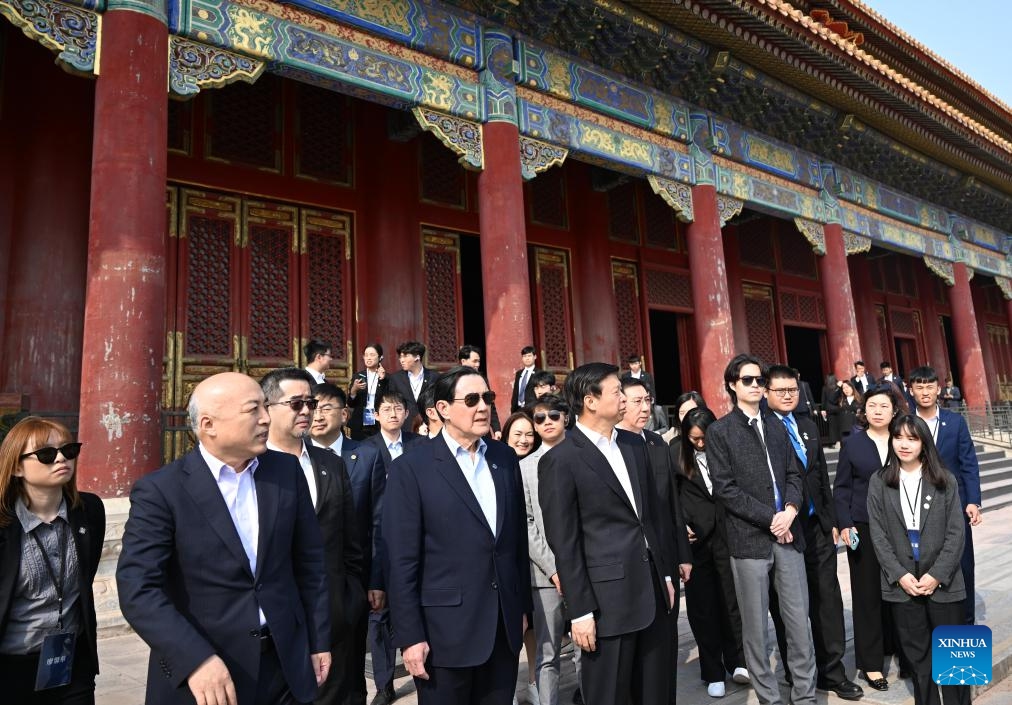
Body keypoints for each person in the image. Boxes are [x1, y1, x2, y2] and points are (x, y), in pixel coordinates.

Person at [117, 371, 331, 705]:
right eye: (253, 409)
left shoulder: (285, 472)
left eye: (266, 406)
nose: (266, 418)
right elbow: (138, 588)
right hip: (207, 673)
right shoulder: (162, 491)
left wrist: (318, 641)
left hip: (284, 664)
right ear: (208, 424)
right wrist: (194, 659)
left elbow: (310, 564)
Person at [383, 366, 532, 705]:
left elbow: (515, 542)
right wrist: (410, 636)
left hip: (503, 628)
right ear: (442, 409)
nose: (483, 407)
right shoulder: (412, 467)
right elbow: (402, 559)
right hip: (443, 634)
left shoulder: (504, 458)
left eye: (487, 398)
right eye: (472, 399)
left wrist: (521, 607)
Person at [539, 363, 677, 705]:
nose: (624, 399)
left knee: (658, 692)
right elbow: (565, 543)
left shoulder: (635, 445)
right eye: (617, 392)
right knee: (610, 695)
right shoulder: (562, 459)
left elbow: (652, 518)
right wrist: (580, 611)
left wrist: (668, 574)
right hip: (605, 605)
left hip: (654, 591)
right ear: (590, 400)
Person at [705, 354, 816, 705]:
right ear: (733, 386)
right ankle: (769, 698)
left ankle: (805, 696)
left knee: (799, 623)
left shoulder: (779, 426)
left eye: (759, 380)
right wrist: (772, 518)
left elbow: (794, 476)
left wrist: (792, 510)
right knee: (755, 628)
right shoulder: (720, 431)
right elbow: (725, 489)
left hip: (788, 536)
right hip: (750, 540)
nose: (756, 385)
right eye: (748, 380)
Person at [262, 369, 366, 705]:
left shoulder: (329, 463)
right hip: (272, 625)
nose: (307, 410)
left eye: (311, 403)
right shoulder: (251, 466)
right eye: (296, 404)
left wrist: (350, 599)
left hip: (334, 616)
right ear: (267, 407)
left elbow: (350, 539)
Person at [763, 366, 863, 701]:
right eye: (781, 390)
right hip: (784, 530)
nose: (788, 395)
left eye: (792, 389)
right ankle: (796, 672)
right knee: (787, 607)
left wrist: (830, 518)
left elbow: (820, 476)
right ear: (766, 392)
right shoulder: (760, 429)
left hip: (817, 526)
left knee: (827, 600)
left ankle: (833, 673)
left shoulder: (806, 425)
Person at [0, 417, 106, 705]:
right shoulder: (4, 525)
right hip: (9, 667)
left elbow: (85, 578)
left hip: (71, 662)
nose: (61, 458)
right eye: (46, 454)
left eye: (68, 450)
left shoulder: (90, 511)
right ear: (17, 467)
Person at [867, 415, 970, 705]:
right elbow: (878, 535)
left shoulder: (944, 479)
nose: (904, 444)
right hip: (904, 584)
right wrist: (899, 575)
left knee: (956, 662)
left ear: (924, 443)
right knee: (918, 662)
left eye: (912, 438)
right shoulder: (880, 481)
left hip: (944, 582)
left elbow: (955, 533)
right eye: (898, 437)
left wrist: (937, 574)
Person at [311, 383, 388, 705]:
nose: (316, 415)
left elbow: (379, 521)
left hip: (351, 581)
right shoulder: (291, 457)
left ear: (344, 414)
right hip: (306, 584)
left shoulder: (367, 455)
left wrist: (375, 580)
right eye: (311, 407)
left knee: (350, 670)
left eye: (326, 407)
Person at [617, 377, 692, 704]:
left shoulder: (657, 444)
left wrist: (683, 553)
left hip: (665, 556)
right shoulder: (612, 446)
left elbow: (671, 504)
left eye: (648, 400)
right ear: (619, 402)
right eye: (637, 401)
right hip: (631, 561)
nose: (645, 407)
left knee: (665, 643)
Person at [833, 383, 906, 691]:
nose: (877, 411)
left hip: (903, 526)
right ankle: (871, 664)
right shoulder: (853, 443)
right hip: (862, 526)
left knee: (902, 591)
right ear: (865, 411)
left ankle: (905, 652)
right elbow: (842, 489)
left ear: (894, 411)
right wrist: (845, 524)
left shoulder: (905, 439)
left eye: (884, 406)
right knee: (867, 596)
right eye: (872, 406)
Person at [675, 408, 748, 698]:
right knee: (703, 609)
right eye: (694, 440)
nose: (700, 444)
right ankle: (712, 670)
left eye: (705, 438)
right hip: (696, 544)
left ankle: (738, 661)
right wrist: (682, 527)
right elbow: (669, 498)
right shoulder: (676, 458)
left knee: (733, 602)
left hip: (728, 537)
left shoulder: (726, 453)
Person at [520, 395, 582, 705]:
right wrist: (555, 568)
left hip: (586, 570)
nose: (546, 422)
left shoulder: (585, 457)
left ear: (566, 418)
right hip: (544, 577)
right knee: (547, 652)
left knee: (589, 647)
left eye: (553, 416)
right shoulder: (525, 467)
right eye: (539, 418)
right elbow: (527, 523)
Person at [908, 366, 982, 624]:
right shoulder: (906, 423)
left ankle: (966, 623)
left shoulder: (956, 422)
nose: (925, 392)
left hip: (954, 504)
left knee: (962, 565)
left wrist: (973, 500)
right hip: (917, 508)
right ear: (911, 390)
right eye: (919, 387)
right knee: (924, 565)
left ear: (938, 389)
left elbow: (968, 462)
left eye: (929, 387)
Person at [364, 389, 423, 705]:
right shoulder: (366, 450)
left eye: (398, 408)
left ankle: (424, 674)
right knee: (380, 616)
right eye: (385, 408)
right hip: (381, 542)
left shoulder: (420, 446)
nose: (392, 413)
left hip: (417, 538)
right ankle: (385, 684)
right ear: (376, 415)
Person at [502, 410, 540, 705]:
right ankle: (509, 686)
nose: (524, 440)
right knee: (511, 624)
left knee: (533, 626)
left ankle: (534, 681)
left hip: (536, 559)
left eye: (529, 434)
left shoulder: (538, 465)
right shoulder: (497, 464)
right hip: (508, 558)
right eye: (517, 434)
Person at [386, 341, 439, 429]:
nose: (401, 360)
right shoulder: (396, 378)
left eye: (405, 356)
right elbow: (392, 403)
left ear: (417, 357)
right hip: (405, 426)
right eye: (400, 357)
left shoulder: (434, 377)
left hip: (429, 425)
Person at [459, 345, 502, 437]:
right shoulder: (454, 381)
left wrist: (496, 429)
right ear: (463, 361)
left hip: (482, 429)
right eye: (474, 361)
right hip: (462, 430)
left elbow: (490, 404)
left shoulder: (482, 380)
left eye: (478, 361)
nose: (477, 365)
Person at [348, 343, 388, 441]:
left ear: (380, 357)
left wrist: (382, 380)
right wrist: (354, 390)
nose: (368, 358)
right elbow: (350, 403)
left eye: (372, 355)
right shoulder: (358, 376)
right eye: (366, 355)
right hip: (360, 422)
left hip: (379, 422)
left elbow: (388, 400)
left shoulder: (387, 378)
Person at [827, 381, 861, 445]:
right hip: (845, 429)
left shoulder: (859, 399)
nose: (846, 389)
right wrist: (838, 387)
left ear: (852, 387)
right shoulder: (841, 400)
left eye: (847, 387)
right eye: (843, 388)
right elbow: (831, 399)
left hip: (857, 428)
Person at [511, 346, 541, 413]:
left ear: (535, 357)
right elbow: (515, 392)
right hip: (518, 408)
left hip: (532, 408)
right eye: (524, 356)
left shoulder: (539, 373)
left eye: (529, 356)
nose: (527, 358)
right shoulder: (519, 373)